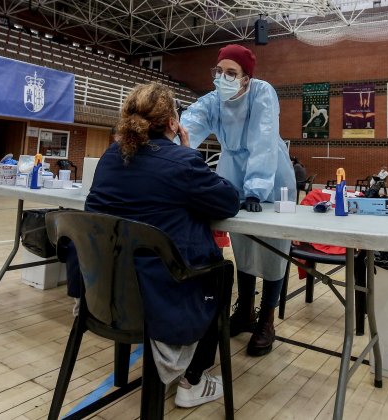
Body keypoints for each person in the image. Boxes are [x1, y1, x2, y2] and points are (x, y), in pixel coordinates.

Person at [66, 82, 241, 408]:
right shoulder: (183, 162)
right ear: (173, 123)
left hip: (103, 294)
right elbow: (228, 202)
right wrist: (189, 153)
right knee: (220, 272)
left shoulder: (109, 158)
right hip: (159, 303)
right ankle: (193, 380)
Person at [180, 44, 296, 357]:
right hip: (232, 171)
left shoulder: (262, 93)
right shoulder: (213, 101)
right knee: (243, 244)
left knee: (273, 248)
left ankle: (267, 319)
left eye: (231, 73)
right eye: (219, 71)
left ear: (246, 77)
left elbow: (263, 137)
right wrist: (165, 154)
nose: (223, 78)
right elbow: (188, 126)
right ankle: (245, 310)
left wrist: (256, 188)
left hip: (272, 174)